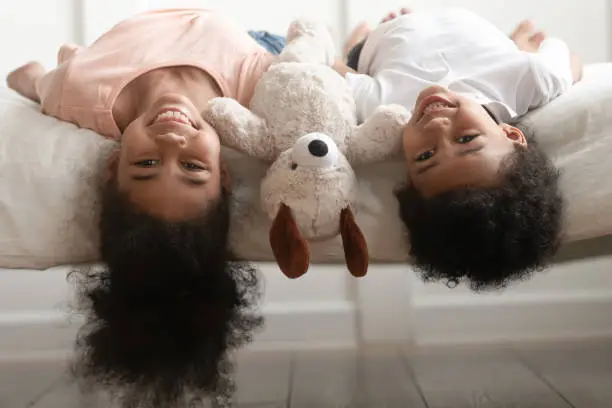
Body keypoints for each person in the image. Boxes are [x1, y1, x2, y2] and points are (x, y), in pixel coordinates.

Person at [6, 9, 285, 407]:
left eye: (146, 164)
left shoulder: (77, 92)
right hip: (261, 42)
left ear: (111, 166)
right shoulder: (260, 93)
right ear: (224, 174)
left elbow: (31, 79)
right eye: (192, 167)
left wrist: (34, 79)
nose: (171, 141)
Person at [333, 7, 582, 290]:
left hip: (386, 41)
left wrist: (347, 60)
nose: (437, 127)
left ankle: (359, 43)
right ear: (511, 133)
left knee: (353, 59)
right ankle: (514, 44)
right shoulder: (529, 80)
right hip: (476, 38)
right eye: (467, 139)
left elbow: (334, 75)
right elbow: (566, 60)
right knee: (515, 54)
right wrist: (550, 66)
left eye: (425, 156)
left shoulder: (385, 107)